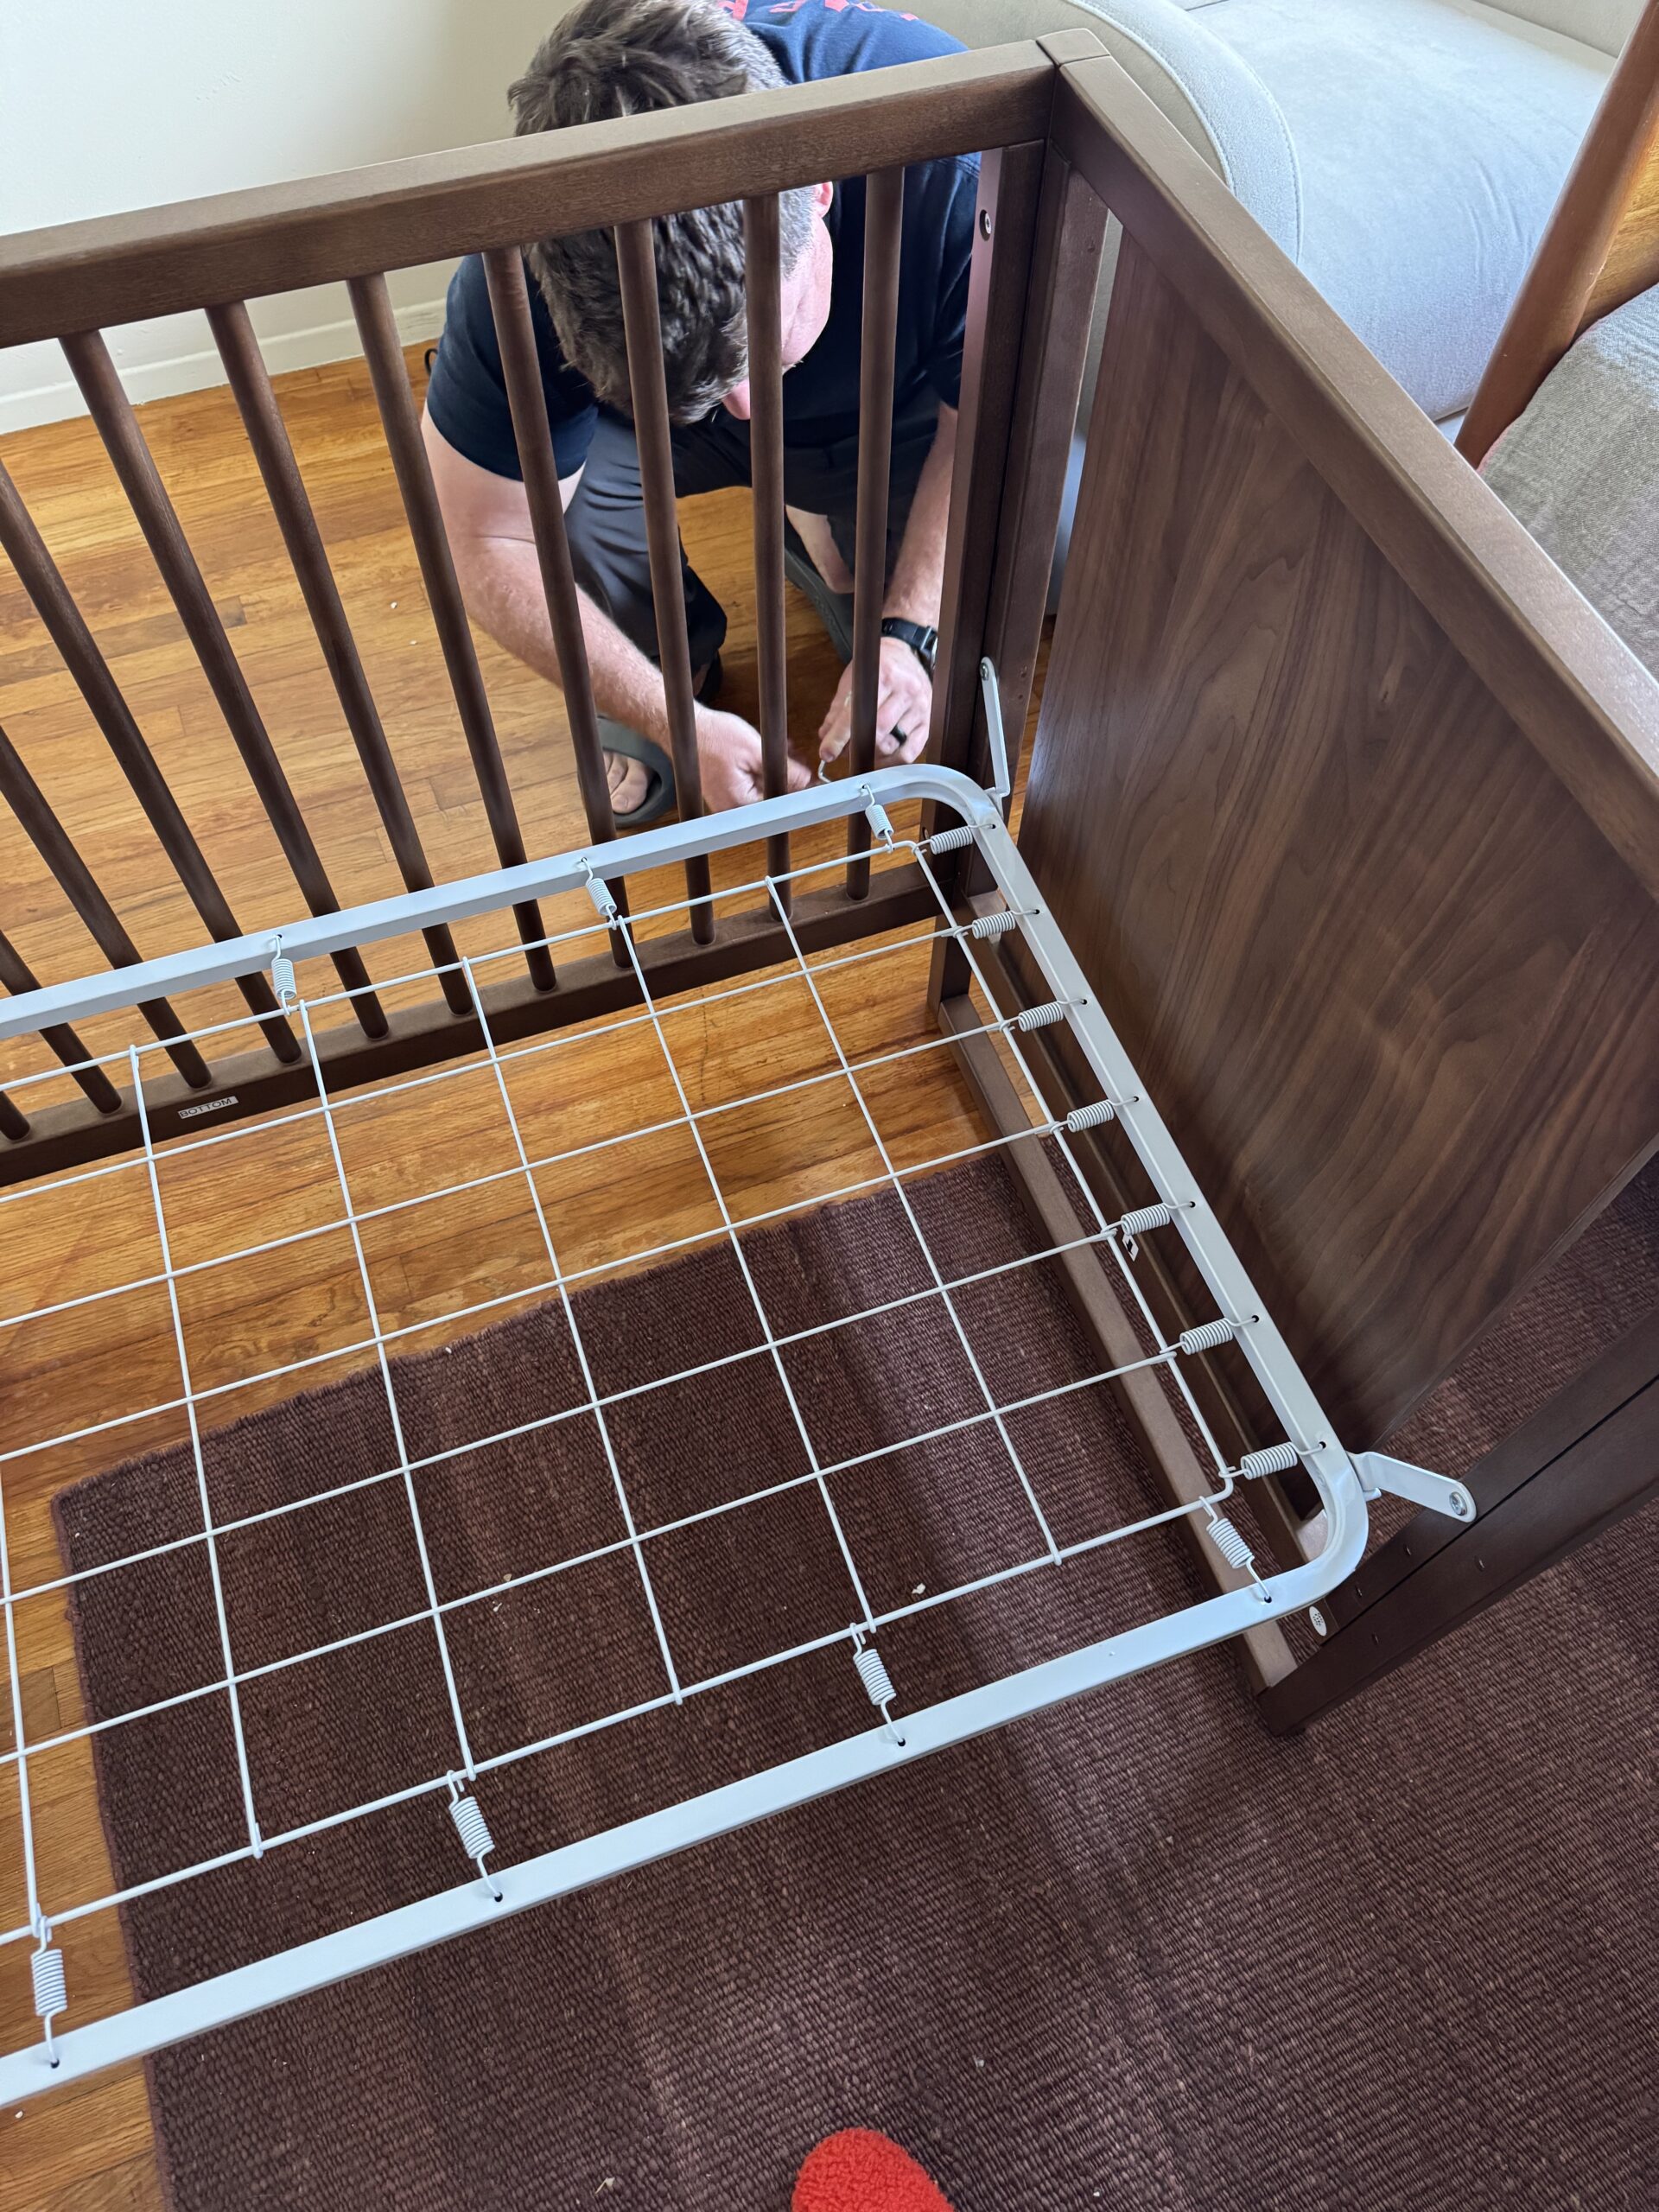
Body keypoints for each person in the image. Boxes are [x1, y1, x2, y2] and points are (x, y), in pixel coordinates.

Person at [422, 0, 979, 823]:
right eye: (712, 384)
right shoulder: (531, 262)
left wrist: (912, 628)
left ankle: (817, 527)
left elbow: (978, 426)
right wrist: (670, 719)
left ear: (818, 191)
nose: (749, 408)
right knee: (548, 499)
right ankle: (666, 663)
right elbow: (486, 535)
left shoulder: (951, 155)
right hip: (648, 445)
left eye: (765, 337)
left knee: (1046, 559)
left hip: (890, 409)